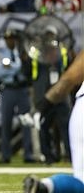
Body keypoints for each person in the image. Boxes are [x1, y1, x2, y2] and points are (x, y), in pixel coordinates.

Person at [20, 50, 84, 193]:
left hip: (80, 108)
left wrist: (41, 107)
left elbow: (70, 78)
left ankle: (42, 188)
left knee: (82, 182)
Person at [29, 25, 71, 164]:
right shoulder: (37, 53)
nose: (49, 38)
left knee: (66, 127)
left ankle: (70, 155)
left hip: (61, 95)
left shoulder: (63, 51)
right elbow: (29, 71)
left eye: (51, 35)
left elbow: (69, 69)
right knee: (43, 126)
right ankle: (48, 156)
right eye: (47, 35)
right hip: (44, 96)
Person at [0, 28, 34, 163]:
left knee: (26, 122)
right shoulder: (0, 54)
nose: (10, 41)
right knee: (6, 123)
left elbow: (26, 71)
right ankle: (5, 155)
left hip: (22, 89)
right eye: (7, 39)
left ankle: (28, 154)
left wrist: (10, 67)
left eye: (12, 39)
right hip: (9, 90)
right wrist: (17, 67)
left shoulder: (24, 52)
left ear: (16, 40)